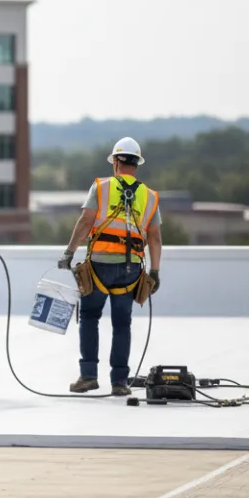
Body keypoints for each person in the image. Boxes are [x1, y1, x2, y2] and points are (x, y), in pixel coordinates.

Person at [58, 137, 162, 396]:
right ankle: (119, 382)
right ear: (136, 164)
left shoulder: (102, 187)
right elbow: (155, 238)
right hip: (131, 269)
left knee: (90, 317)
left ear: (116, 162)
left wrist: (69, 253)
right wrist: (155, 272)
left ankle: (88, 376)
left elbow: (85, 222)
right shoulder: (149, 196)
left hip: (100, 265)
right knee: (122, 323)